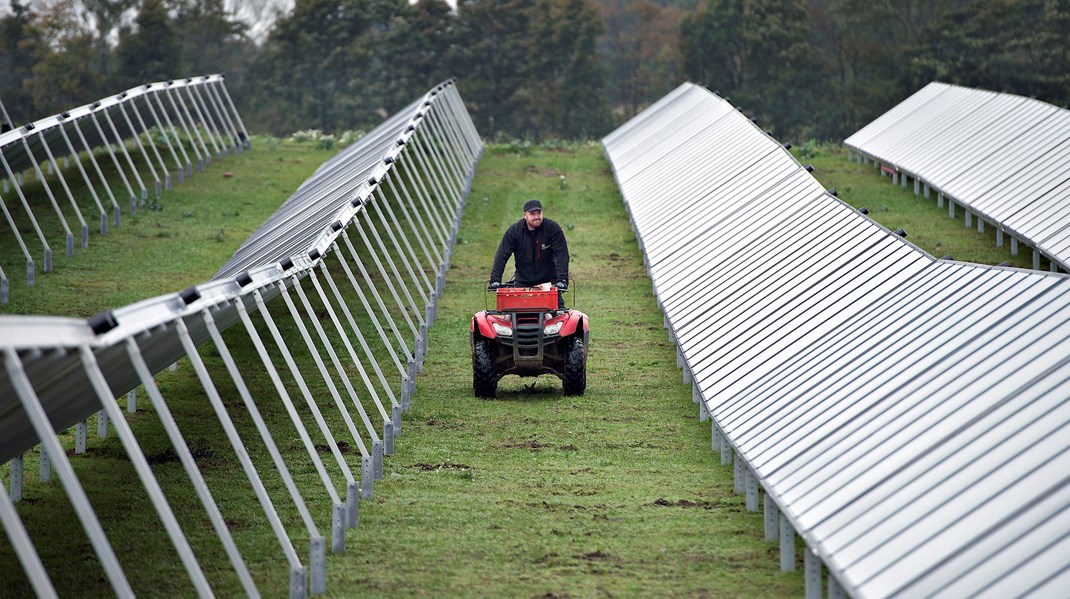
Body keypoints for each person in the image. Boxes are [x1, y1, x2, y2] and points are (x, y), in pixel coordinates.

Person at [489, 199, 570, 307]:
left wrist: (562, 280)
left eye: (539, 213)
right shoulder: (514, 231)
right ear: (525, 215)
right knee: (511, 315)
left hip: (548, 283)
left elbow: (562, 254)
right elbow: (502, 255)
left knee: (558, 313)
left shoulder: (552, 228)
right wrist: (495, 280)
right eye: (532, 214)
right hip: (522, 282)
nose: (537, 216)